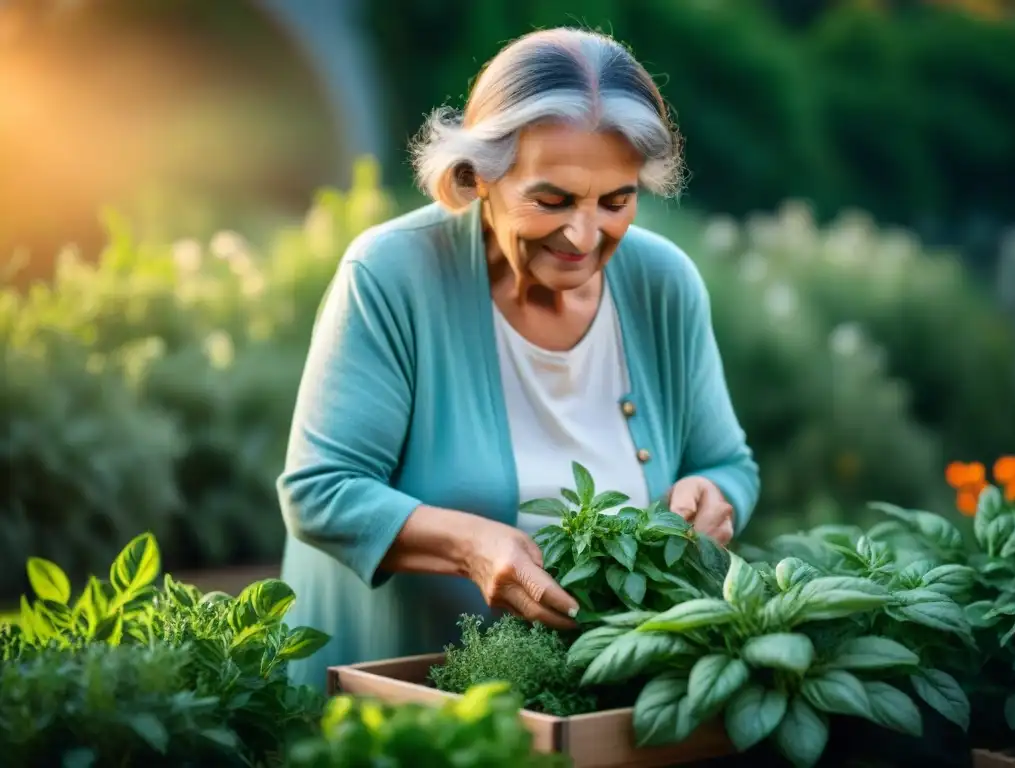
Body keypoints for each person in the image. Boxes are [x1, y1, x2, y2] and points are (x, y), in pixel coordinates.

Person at [276, 27, 760, 691]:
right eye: (551, 200)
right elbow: (320, 492)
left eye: (616, 201)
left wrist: (716, 497)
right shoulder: (392, 274)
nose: (584, 235)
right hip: (394, 702)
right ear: (477, 176)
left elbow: (727, 463)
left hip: (580, 700)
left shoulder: (663, 284)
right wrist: (470, 544)